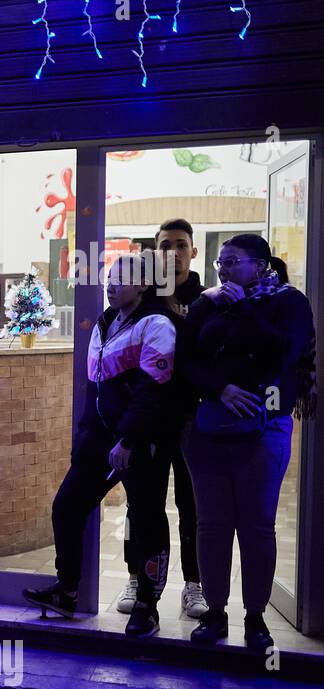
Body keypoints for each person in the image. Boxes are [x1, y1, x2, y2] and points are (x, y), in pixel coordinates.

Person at [24, 251, 181, 638]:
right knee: (67, 506)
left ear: (143, 285)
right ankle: (67, 591)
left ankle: (147, 605)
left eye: (121, 279)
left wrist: (129, 439)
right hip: (99, 440)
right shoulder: (106, 321)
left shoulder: (157, 324)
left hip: (140, 443)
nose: (112, 285)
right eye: (109, 278)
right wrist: (84, 439)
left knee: (146, 520)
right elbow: (94, 388)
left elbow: (152, 391)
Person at [178, 234, 316, 653]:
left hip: (264, 425)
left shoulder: (288, 301)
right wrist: (220, 387)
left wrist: (241, 308)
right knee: (212, 524)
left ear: (259, 265)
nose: (222, 269)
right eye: (220, 262)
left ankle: (255, 618)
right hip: (208, 427)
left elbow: (283, 352)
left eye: (232, 261)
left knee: (256, 525)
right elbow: (182, 357)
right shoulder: (209, 302)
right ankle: (216, 614)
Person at [113, 220, 208, 619]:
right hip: (148, 424)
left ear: (193, 252)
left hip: (191, 422)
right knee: (140, 507)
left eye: (180, 245)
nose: (173, 252)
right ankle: (136, 576)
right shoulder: (142, 298)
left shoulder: (208, 301)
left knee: (193, 506)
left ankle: (194, 585)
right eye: (165, 245)